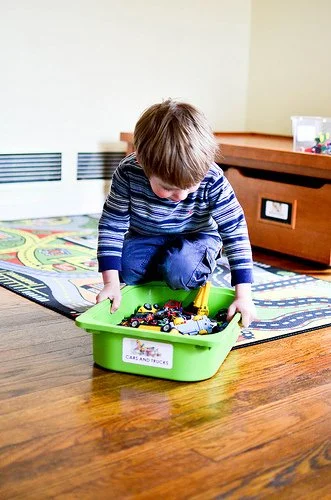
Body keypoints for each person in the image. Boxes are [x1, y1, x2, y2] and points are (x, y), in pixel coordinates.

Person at [96, 99, 257, 327]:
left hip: (197, 238)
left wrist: (244, 295)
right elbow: (112, 225)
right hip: (146, 236)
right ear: (142, 161)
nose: (180, 196)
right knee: (126, 269)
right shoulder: (127, 173)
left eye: (189, 187)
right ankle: (165, 267)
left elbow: (235, 230)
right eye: (168, 188)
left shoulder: (212, 178)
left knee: (181, 271)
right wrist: (110, 283)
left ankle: (190, 266)